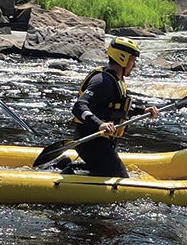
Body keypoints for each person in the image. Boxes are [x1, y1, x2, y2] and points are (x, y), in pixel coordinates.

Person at [68, 37, 159, 177]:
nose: (134, 65)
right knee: (119, 176)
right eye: (132, 60)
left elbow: (116, 109)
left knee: (110, 170)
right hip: (90, 141)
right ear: (123, 59)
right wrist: (100, 125)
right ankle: (72, 173)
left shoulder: (116, 81)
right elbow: (79, 106)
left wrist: (143, 110)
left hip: (101, 142)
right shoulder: (102, 81)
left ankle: (67, 165)